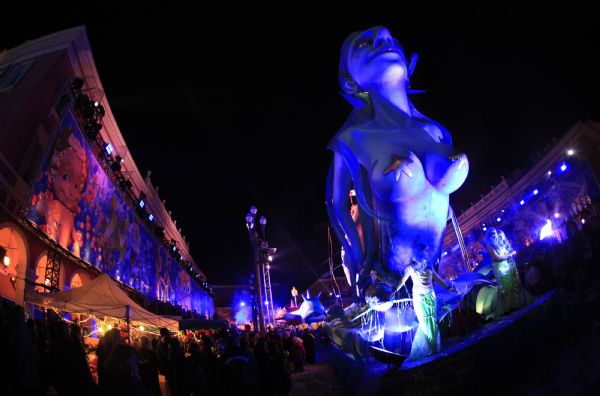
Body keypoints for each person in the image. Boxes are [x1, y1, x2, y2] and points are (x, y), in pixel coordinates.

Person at [326, 26, 469, 300]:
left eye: (392, 39)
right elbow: (338, 206)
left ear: (407, 64)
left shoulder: (434, 131)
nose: (383, 40)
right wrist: (359, 260)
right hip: (389, 280)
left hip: (433, 272)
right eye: (365, 43)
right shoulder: (352, 139)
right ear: (349, 82)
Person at [390, 243, 455, 360]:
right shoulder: (411, 267)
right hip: (419, 299)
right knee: (425, 324)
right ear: (418, 252)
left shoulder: (428, 264)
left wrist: (448, 288)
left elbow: (437, 278)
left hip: (430, 297)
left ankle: (434, 348)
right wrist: (394, 290)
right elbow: (402, 280)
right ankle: (432, 348)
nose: (427, 253)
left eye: (427, 251)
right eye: (425, 251)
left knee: (432, 322)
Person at [485, 228, 521, 313]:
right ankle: (508, 308)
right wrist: (509, 255)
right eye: (491, 234)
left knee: (512, 285)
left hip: (505, 266)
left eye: (494, 233)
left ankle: (514, 305)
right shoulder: (490, 246)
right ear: (488, 236)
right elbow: (497, 258)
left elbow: (504, 253)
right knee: (505, 288)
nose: (494, 235)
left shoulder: (498, 243)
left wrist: (508, 255)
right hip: (500, 268)